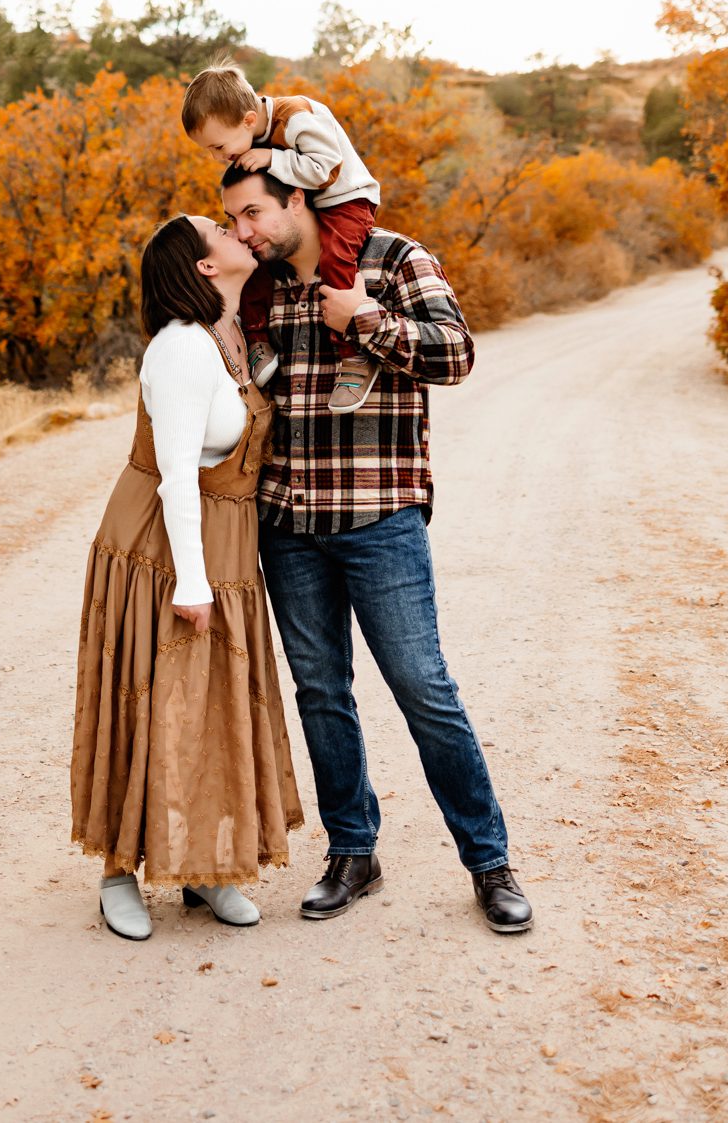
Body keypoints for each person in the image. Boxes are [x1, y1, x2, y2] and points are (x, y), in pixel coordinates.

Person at [219, 164, 533, 936]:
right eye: (233, 218)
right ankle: (354, 850)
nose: (245, 229)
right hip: (288, 524)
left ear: (297, 198)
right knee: (321, 691)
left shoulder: (393, 260)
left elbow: (456, 354)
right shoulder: (262, 288)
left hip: (379, 516)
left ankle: (489, 862)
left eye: (254, 211)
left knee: (424, 688)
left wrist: (363, 319)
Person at [68, 214, 305, 940]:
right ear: (205, 268)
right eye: (221, 231)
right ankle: (117, 869)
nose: (238, 232)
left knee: (207, 700)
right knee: (147, 698)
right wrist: (193, 582)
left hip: (221, 544)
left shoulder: (228, 332)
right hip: (164, 547)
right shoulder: (179, 348)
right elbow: (176, 473)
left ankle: (202, 866)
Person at [181, 66, 382, 414]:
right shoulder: (249, 132)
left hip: (346, 198)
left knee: (336, 261)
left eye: (218, 146)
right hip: (311, 202)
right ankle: (258, 341)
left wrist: (274, 157)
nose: (216, 157)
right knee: (254, 261)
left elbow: (327, 169)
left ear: (247, 120)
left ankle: (354, 357)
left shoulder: (296, 117)